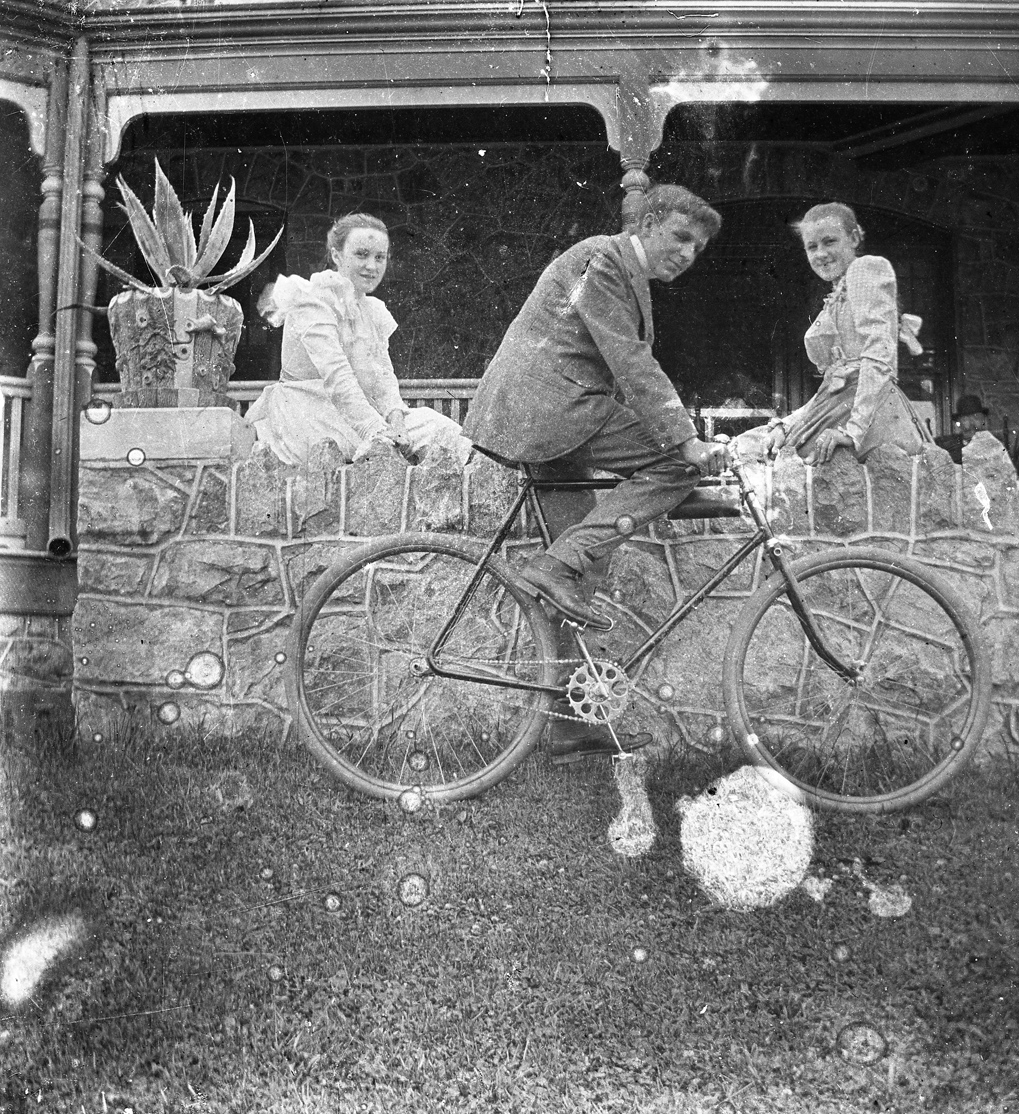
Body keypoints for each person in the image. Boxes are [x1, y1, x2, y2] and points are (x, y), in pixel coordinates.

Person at [464, 184, 729, 762]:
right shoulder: (603, 260)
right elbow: (630, 361)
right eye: (680, 237)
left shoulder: (618, 269)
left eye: (697, 248)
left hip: (553, 416)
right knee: (670, 468)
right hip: (551, 410)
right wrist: (686, 441)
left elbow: (620, 365)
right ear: (649, 222)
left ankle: (567, 725)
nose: (687, 254)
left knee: (582, 568)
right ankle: (555, 563)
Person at [245, 213, 469, 466]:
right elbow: (336, 375)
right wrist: (375, 428)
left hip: (355, 412)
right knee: (377, 448)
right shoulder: (311, 300)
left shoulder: (372, 311)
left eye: (379, 257)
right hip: (309, 415)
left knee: (443, 430)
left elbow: (383, 376)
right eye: (361, 254)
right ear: (337, 256)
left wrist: (395, 421)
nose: (371, 266)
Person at [765, 202, 932, 464]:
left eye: (829, 241)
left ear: (854, 238)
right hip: (842, 405)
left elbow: (878, 356)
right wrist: (786, 425)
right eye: (812, 246)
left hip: (867, 413)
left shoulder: (864, 270)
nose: (820, 254)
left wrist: (853, 431)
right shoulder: (837, 294)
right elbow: (831, 388)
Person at [934, 394, 991, 463]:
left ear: (983, 420)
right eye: (966, 419)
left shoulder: (992, 444)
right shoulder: (947, 445)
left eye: (976, 418)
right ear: (959, 422)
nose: (972, 422)